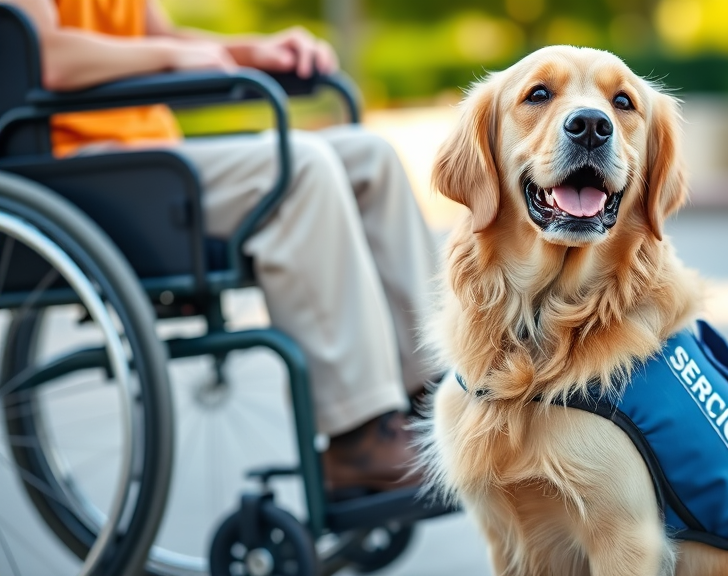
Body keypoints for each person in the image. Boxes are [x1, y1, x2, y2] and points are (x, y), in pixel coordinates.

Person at [8, 0, 435, 494]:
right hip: (73, 167)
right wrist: (165, 56)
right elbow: (40, 53)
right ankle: (357, 435)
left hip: (147, 155)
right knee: (298, 168)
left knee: (369, 159)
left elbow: (153, 38)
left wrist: (253, 52)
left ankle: (433, 397)